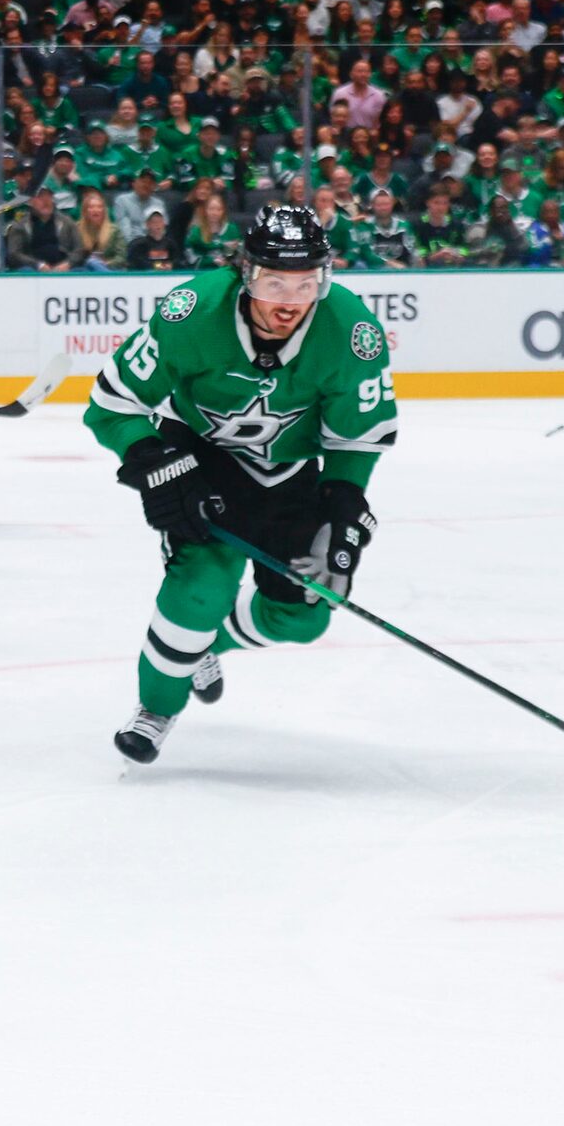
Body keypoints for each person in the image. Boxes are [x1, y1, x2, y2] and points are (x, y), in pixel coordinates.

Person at [85, 204, 397, 764]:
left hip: (293, 475)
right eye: (274, 281)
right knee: (202, 583)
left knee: (304, 613)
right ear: (245, 273)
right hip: (201, 458)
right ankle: (158, 705)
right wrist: (150, 460)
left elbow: (355, 438)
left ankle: (207, 640)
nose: (289, 301)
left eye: (307, 283)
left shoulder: (352, 334)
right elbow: (112, 405)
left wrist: (345, 505)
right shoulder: (192, 313)